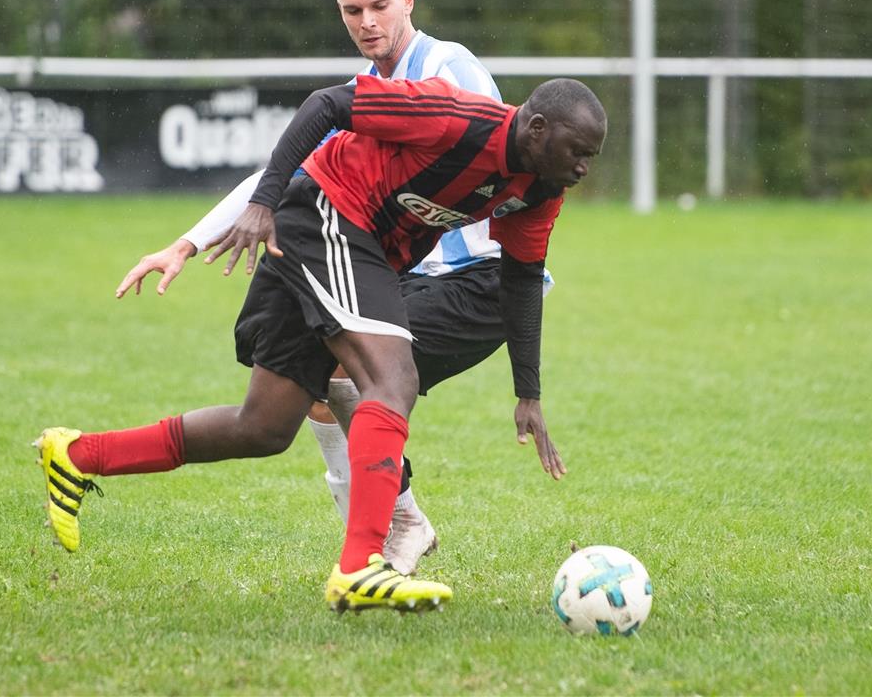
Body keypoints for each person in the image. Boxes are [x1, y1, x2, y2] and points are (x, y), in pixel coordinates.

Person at [35, 73, 607, 613]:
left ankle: (80, 455)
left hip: (345, 245)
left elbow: (523, 277)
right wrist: (263, 203)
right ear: (536, 129)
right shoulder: (455, 117)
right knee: (393, 377)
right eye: (576, 150)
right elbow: (327, 105)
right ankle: (360, 566)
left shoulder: (539, 190)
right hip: (326, 214)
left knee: (262, 427)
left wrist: (527, 392)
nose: (583, 167)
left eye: (591, 156)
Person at [115, 0, 549, 577]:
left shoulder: (449, 71)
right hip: (413, 275)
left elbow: (496, 159)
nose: (367, 22)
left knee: (349, 379)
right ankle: (387, 537)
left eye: (379, 6)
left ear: (407, 1)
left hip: (473, 278)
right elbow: (287, 171)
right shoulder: (366, 87)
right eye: (352, 11)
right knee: (315, 390)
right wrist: (187, 242)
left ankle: (385, 542)